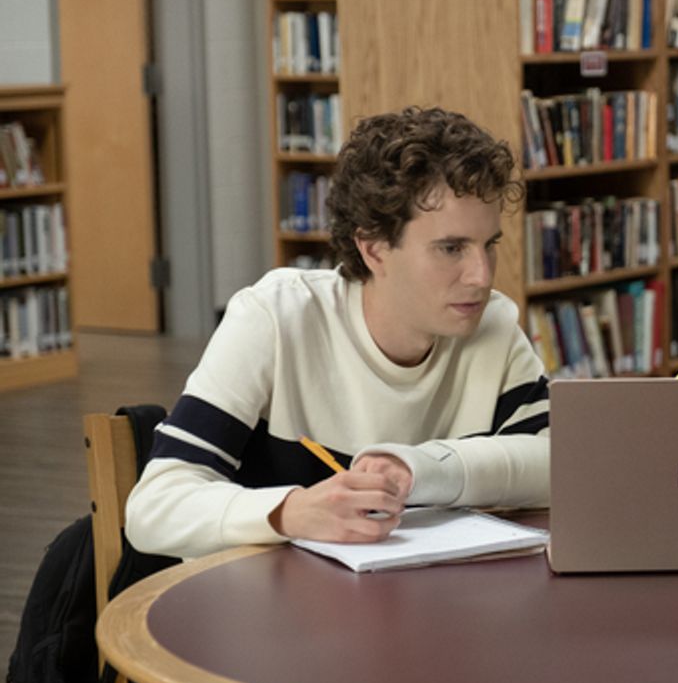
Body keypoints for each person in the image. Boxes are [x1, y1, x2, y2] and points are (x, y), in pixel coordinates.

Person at [126, 107, 549, 558]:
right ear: (374, 249)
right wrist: (291, 511)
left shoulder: (493, 327)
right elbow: (153, 508)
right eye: (451, 248)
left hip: (422, 609)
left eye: (489, 245)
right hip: (269, 610)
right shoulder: (275, 317)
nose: (482, 277)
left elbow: (561, 466)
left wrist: (417, 468)